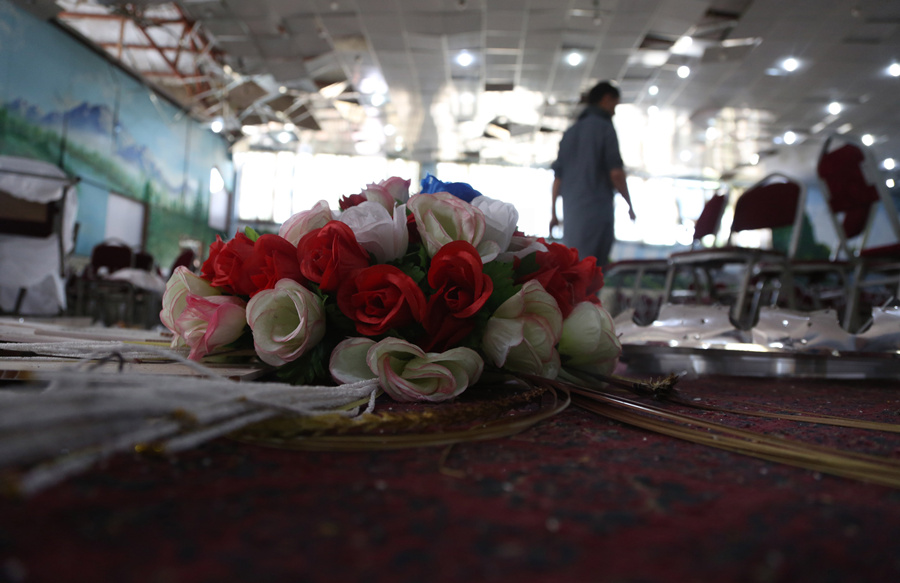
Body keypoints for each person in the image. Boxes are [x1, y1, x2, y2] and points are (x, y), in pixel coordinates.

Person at [549, 80, 636, 266]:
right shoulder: (605, 128)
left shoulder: (569, 133)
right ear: (606, 99)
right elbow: (616, 174)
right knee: (593, 270)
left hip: (572, 217)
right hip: (596, 213)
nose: (614, 111)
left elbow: (558, 179)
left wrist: (554, 213)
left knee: (574, 268)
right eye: (615, 105)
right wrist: (629, 204)